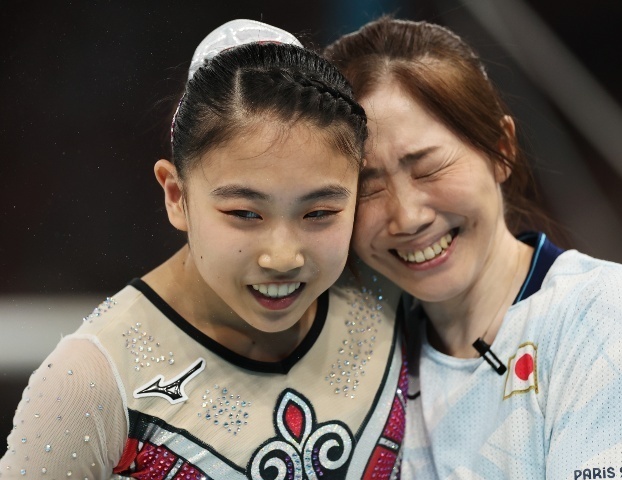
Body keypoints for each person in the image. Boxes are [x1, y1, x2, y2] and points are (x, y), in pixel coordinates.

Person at [0, 19, 406, 480]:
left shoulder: (389, 304)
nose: (282, 257)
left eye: (319, 214)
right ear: (176, 195)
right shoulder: (91, 382)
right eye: (244, 214)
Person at [325, 16, 622, 479]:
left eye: (428, 168)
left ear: (501, 149)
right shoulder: (360, 370)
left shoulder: (609, 316)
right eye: (365, 187)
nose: (407, 217)